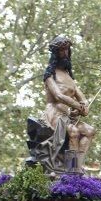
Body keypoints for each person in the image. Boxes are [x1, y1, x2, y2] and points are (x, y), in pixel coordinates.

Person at [40, 35, 95, 171]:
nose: (65, 53)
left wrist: (84, 108)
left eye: (67, 50)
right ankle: (71, 170)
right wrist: (77, 106)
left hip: (67, 116)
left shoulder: (69, 77)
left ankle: (77, 166)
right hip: (54, 114)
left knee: (89, 131)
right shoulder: (50, 75)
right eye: (61, 50)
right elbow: (58, 96)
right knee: (74, 131)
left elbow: (82, 99)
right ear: (55, 54)